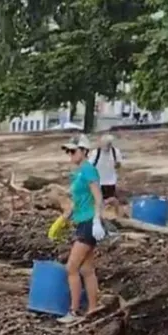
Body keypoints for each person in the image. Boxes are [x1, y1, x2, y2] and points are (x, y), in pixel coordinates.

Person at [59, 135, 106, 325]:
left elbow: (98, 197)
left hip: (88, 223)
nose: (70, 154)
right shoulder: (78, 172)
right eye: (68, 151)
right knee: (87, 269)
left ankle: (74, 310)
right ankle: (93, 308)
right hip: (81, 220)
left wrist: (96, 220)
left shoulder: (89, 171)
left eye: (73, 151)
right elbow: (77, 201)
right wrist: (65, 218)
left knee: (71, 267)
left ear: (84, 151)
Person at [88, 134, 124, 211]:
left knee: (110, 203)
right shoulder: (96, 153)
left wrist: (117, 165)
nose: (106, 147)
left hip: (110, 182)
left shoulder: (115, 152)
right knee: (98, 202)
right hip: (98, 182)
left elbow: (119, 164)